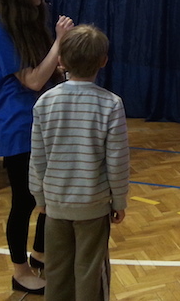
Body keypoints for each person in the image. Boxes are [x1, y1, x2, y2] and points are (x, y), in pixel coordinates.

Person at [0, 0, 74, 295]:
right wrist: (59, 42)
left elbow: (43, 72)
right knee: (24, 200)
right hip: (19, 127)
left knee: (50, 196)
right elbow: (33, 80)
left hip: (43, 122)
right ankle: (20, 271)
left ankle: (40, 253)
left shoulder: (27, 24)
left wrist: (60, 66)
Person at [29, 24, 129, 301]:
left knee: (57, 269)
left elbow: (37, 156)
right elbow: (117, 161)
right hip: (93, 207)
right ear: (103, 61)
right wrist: (119, 201)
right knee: (90, 271)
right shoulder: (111, 104)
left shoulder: (45, 102)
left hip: (55, 204)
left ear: (60, 61)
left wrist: (39, 196)